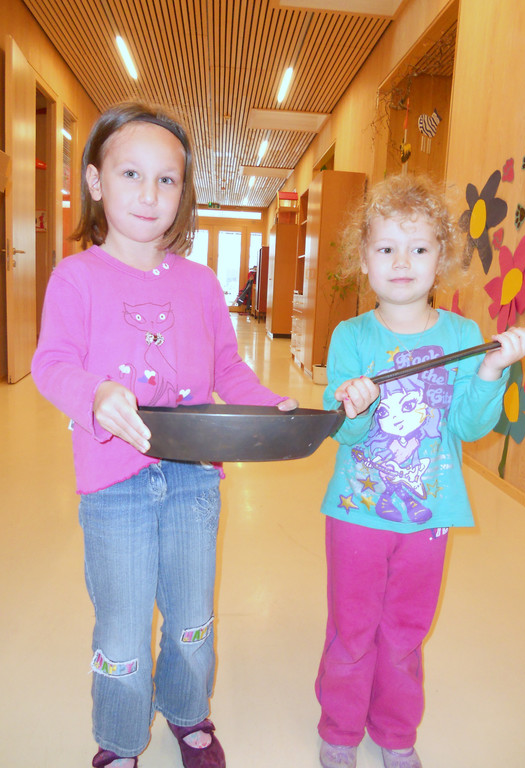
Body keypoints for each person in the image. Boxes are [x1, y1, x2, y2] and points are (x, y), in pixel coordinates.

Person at [31, 102, 297, 768]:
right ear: (95, 182)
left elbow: (231, 371)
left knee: (190, 624)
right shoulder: (77, 277)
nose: (150, 194)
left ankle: (187, 712)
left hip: (192, 479)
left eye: (167, 180)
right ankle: (120, 740)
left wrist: (276, 409)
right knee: (121, 630)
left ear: (185, 193)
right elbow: (51, 363)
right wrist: (94, 393)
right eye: (130, 174)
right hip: (112, 482)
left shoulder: (201, 283)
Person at [314, 174, 525, 768]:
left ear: (442, 257)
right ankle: (339, 730)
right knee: (353, 629)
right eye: (386, 248)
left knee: (405, 633)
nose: (402, 262)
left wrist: (492, 375)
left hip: (430, 516)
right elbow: (344, 429)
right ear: (364, 260)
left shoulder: (464, 337)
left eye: (419, 248)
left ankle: (395, 733)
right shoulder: (350, 335)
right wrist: (353, 408)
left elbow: (466, 427)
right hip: (356, 514)